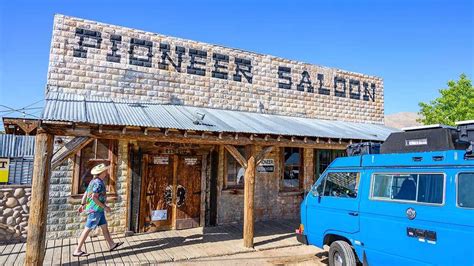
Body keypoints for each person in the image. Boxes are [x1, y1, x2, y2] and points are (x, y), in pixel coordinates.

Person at [72, 163, 123, 257]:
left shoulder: (93, 181)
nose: (107, 172)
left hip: (97, 209)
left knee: (104, 227)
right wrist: (105, 207)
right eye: (105, 171)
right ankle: (77, 250)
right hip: (95, 210)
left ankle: (111, 244)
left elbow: (86, 193)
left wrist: (82, 204)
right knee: (87, 229)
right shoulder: (98, 183)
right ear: (102, 172)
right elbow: (94, 198)